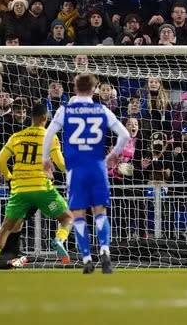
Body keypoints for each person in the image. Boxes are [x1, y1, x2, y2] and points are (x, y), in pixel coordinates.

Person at [42, 74, 130, 274]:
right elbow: (124, 134)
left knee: (78, 214)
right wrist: (114, 155)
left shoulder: (65, 110)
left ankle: (87, 258)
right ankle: (105, 251)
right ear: (94, 89)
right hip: (98, 166)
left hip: (76, 168)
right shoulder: (102, 109)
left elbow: (48, 135)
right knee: (100, 212)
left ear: (74, 88)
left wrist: (45, 159)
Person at [0, 103, 73, 272]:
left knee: (5, 228)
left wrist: (9, 178)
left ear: (30, 117)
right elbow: (60, 164)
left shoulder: (17, 137)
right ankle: (59, 240)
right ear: (45, 118)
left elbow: (0, 162)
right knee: (67, 218)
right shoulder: (50, 137)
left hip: (20, 190)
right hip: (42, 189)